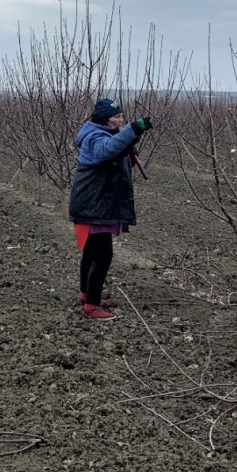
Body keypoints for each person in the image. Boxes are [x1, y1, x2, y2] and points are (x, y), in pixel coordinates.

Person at [68, 97, 152, 321]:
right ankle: (92, 306)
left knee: (92, 252)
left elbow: (113, 153)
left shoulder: (105, 135)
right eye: (116, 117)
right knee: (103, 255)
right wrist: (133, 129)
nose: (120, 120)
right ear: (104, 120)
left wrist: (128, 145)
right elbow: (105, 151)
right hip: (94, 205)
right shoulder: (94, 138)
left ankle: (86, 294)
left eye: (122, 117)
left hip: (96, 203)